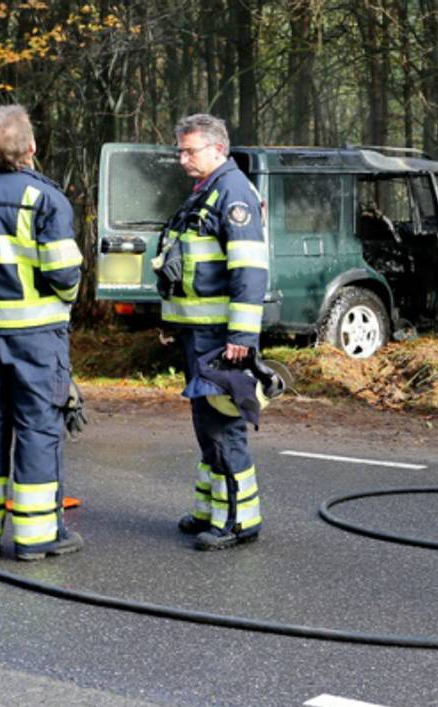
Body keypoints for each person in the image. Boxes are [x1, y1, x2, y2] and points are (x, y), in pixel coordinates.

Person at [0, 105, 84, 562]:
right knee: (38, 428)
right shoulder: (45, 199)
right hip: (36, 337)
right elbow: (64, 273)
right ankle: (36, 537)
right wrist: (66, 296)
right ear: (31, 146)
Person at [154, 114, 268, 551]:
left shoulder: (233, 193)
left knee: (223, 425)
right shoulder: (207, 191)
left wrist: (242, 337)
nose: (182, 159)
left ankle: (239, 522)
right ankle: (209, 510)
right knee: (206, 426)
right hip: (197, 332)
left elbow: (249, 270)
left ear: (218, 149)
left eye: (189, 151)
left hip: (221, 337)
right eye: (180, 151)